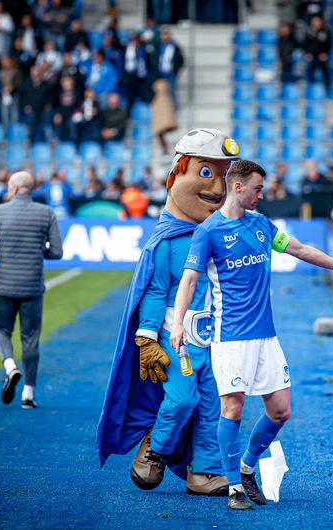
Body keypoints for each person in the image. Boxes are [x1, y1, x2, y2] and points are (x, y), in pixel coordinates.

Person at [168, 159, 333, 510]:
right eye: (258, 188)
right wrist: (177, 323)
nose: (263, 194)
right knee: (232, 409)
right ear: (238, 186)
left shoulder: (261, 224)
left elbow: (300, 249)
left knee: (280, 411)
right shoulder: (208, 232)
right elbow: (189, 280)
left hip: (266, 337)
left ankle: (246, 467)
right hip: (229, 337)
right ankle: (234, 489)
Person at [97, 128, 242, 498]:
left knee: (214, 407)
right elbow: (153, 290)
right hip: (178, 340)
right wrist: (147, 339)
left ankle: (204, 472)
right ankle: (156, 448)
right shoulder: (166, 242)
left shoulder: (221, 234)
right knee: (182, 399)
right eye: (208, 173)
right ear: (174, 177)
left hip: (216, 342)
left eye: (225, 176)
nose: (218, 188)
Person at [0, 171, 63, 409]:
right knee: (30, 338)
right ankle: (28, 393)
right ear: (30, 189)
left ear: (12, 188)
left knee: (1, 329)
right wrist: (35, 250)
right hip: (32, 286)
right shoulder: (46, 213)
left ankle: (10, 367)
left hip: (4, 285)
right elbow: (56, 252)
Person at [303, 14, 331, 93]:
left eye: (317, 21)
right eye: (314, 21)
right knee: (311, 71)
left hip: (322, 55)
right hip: (313, 56)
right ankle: (312, 90)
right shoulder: (309, 32)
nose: (316, 23)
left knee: (325, 72)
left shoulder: (325, 32)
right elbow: (306, 44)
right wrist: (308, 53)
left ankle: (327, 89)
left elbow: (328, 44)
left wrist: (326, 53)